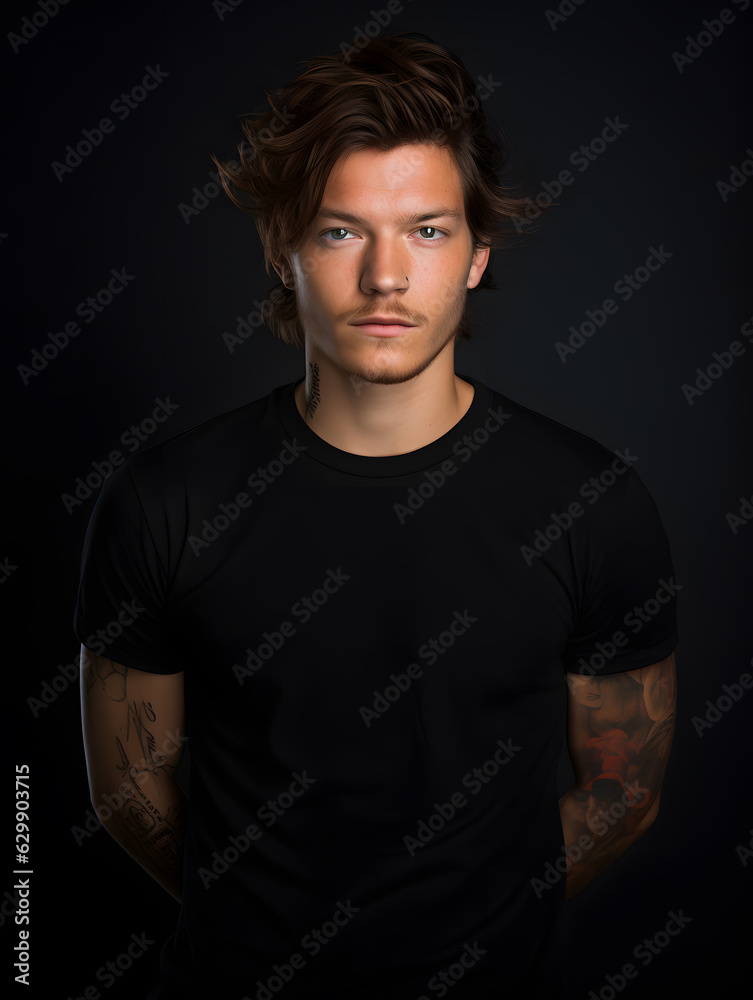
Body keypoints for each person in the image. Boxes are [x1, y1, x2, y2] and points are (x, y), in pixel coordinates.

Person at [75, 32, 678, 999]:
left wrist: (476, 928)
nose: (386, 277)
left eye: (428, 231)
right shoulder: (164, 498)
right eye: (341, 229)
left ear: (478, 256)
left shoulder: (590, 502)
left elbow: (624, 791)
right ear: (286, 253)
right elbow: (124, 789)